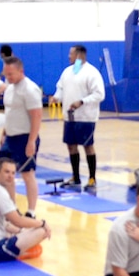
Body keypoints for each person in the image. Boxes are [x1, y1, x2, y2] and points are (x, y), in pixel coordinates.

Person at [0, 157, 51, 263]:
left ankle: (19, 248)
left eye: (13, 173)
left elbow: (5, 224)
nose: (10, 176)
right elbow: (18, 221)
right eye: (7, 172)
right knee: (41, 231)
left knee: (19, 231)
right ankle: (20, 253)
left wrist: (21, 231)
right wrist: (42, 223)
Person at [0, 55, 45, 214]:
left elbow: (37, 116)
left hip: (25, 137)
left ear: (21, 71)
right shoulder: (9, 88)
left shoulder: (30, 89)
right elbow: (9, 112)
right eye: (6, 74)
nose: (8, 77)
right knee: (6, 174)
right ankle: (12, 208)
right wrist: (4, 132)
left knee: (27, 174)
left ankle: (31, 211)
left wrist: (31, 141)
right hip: (10, 137)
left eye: (11, 74)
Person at [55, 44, 105, 190]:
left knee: (88, 146)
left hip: (86, 117)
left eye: (71, 54)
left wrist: (82, 101)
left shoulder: (92, 73)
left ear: (79, 56)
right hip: (70, 117)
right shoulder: (67, 71)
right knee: (71, 146)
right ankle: (75, 177)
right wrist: (56, 98)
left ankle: (92, 178)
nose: (68, 56)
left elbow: (99, 95)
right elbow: (61, 88)